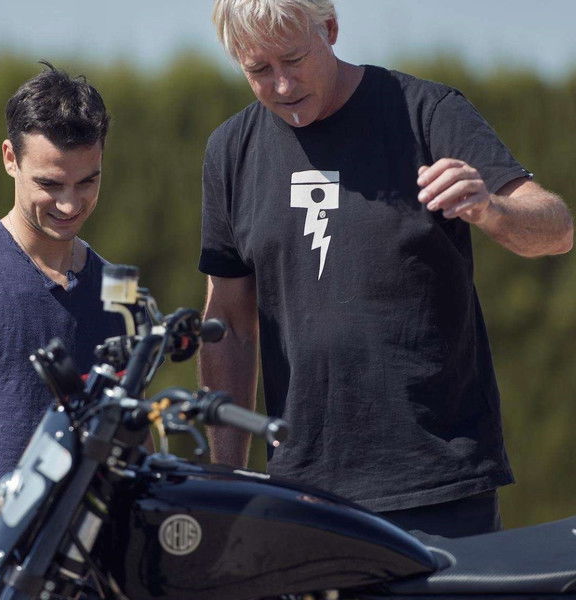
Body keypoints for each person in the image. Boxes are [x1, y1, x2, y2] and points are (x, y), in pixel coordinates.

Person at [198, 0, 573, 538]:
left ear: (330, 29)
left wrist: (491, 207)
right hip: (302, 493)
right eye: (258, 69)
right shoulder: (230, 150)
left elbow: (557, 229)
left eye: (294, 60)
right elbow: (229, 326)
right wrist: (226, 481)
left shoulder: (426, 111)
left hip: (437, 482)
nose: (281, 85)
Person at [0, 62, 125, 571]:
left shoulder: (118, 291)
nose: (69, 203)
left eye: (87, 181)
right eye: (50, 183)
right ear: (9, 159)